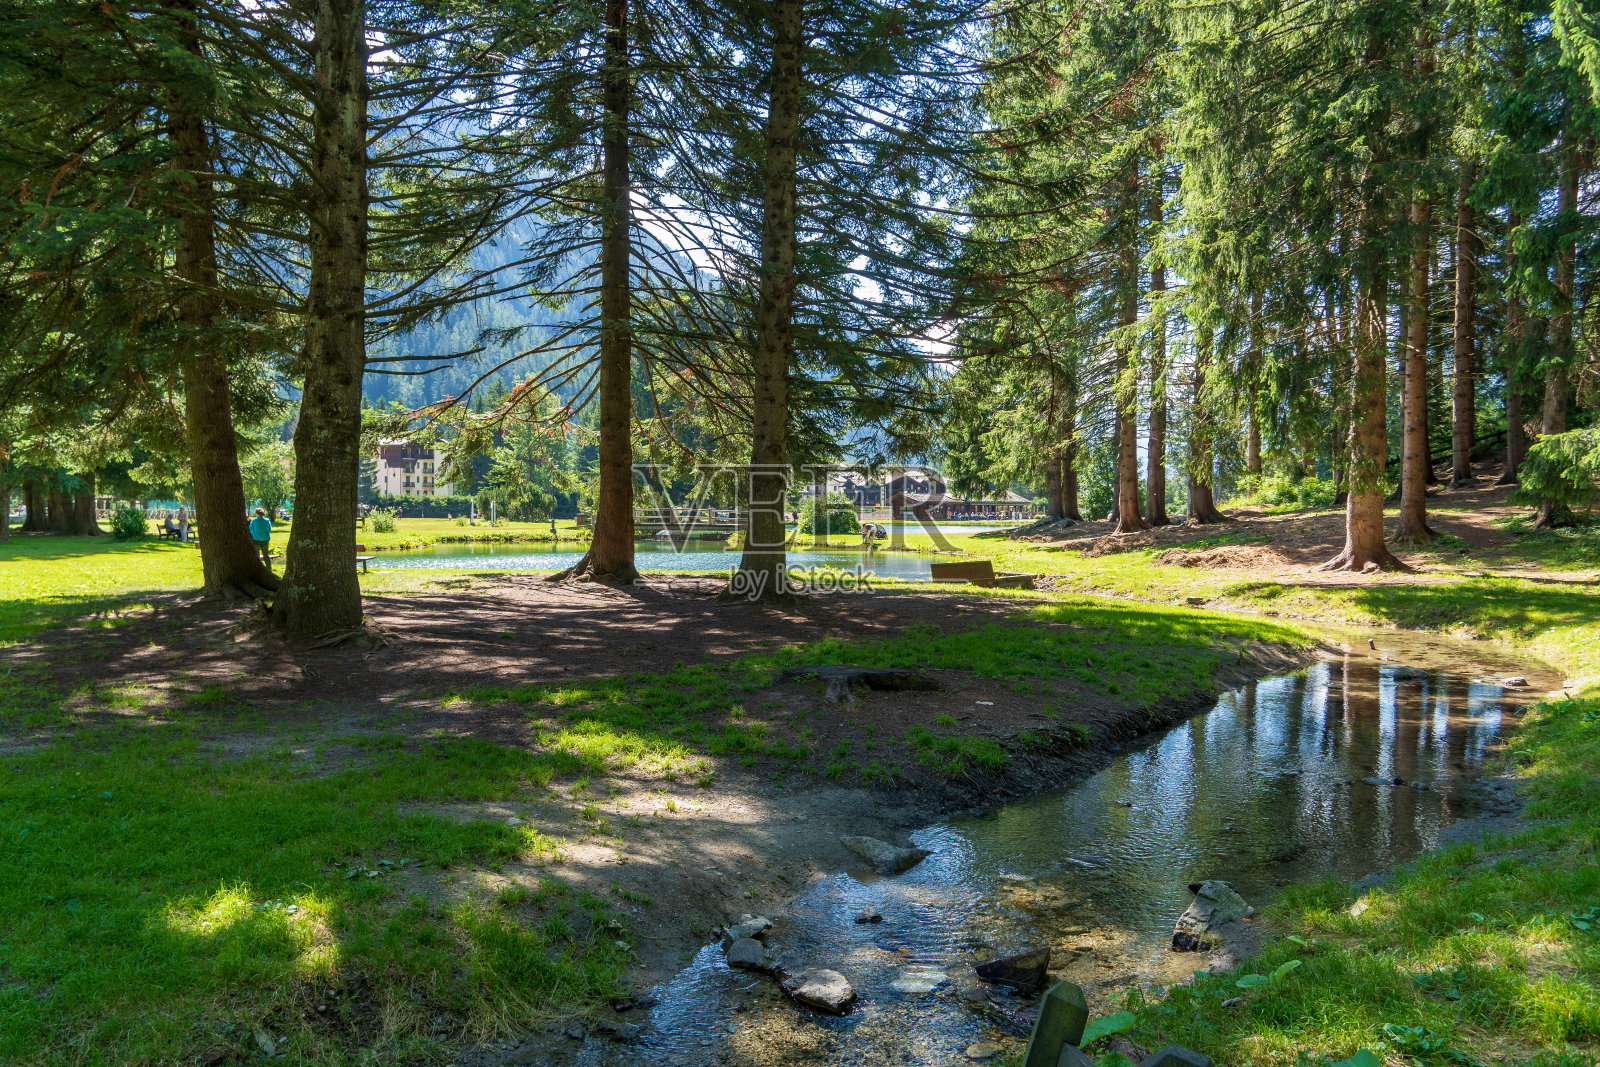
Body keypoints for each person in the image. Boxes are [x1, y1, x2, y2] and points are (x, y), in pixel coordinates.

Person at [248, 507, 273, 571]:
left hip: (256, 540)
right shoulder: (267, 521)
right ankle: (269, 569)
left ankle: (258, 569)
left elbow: (250, 529)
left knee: (257, 555)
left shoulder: (254, 521)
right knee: (266, 555)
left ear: (256, 513)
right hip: (265, 539)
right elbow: (269, 529)